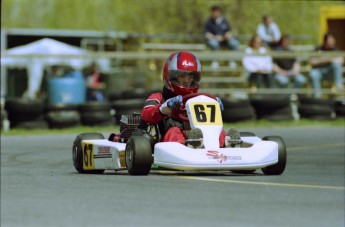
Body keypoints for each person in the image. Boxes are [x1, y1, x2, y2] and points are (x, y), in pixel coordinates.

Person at [141, 51, 242, 148]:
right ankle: (190, 147)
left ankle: (227, 146)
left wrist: (214, 104)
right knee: (174, 132)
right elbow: (145, 115)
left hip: (198, 136)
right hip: (167, 140)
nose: (186, 80)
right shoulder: (159, 97)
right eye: (181, 75)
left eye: (190, 76)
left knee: (218, 132)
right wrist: (162, 109)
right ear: (170, 76)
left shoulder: (198, 99)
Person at [309, 32, 344, 98]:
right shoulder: (318, 49)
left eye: (333, 40)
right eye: (330, 40)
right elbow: (312, 61)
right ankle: (317, 96)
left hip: (330, 73)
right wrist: (329, 59)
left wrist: (322, 60)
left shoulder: (335, 50)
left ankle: (338, 86)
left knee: (336, 65)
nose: (332, 42)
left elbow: (341, 61)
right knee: (313, 74)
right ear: (325, 41)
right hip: (319, 72)